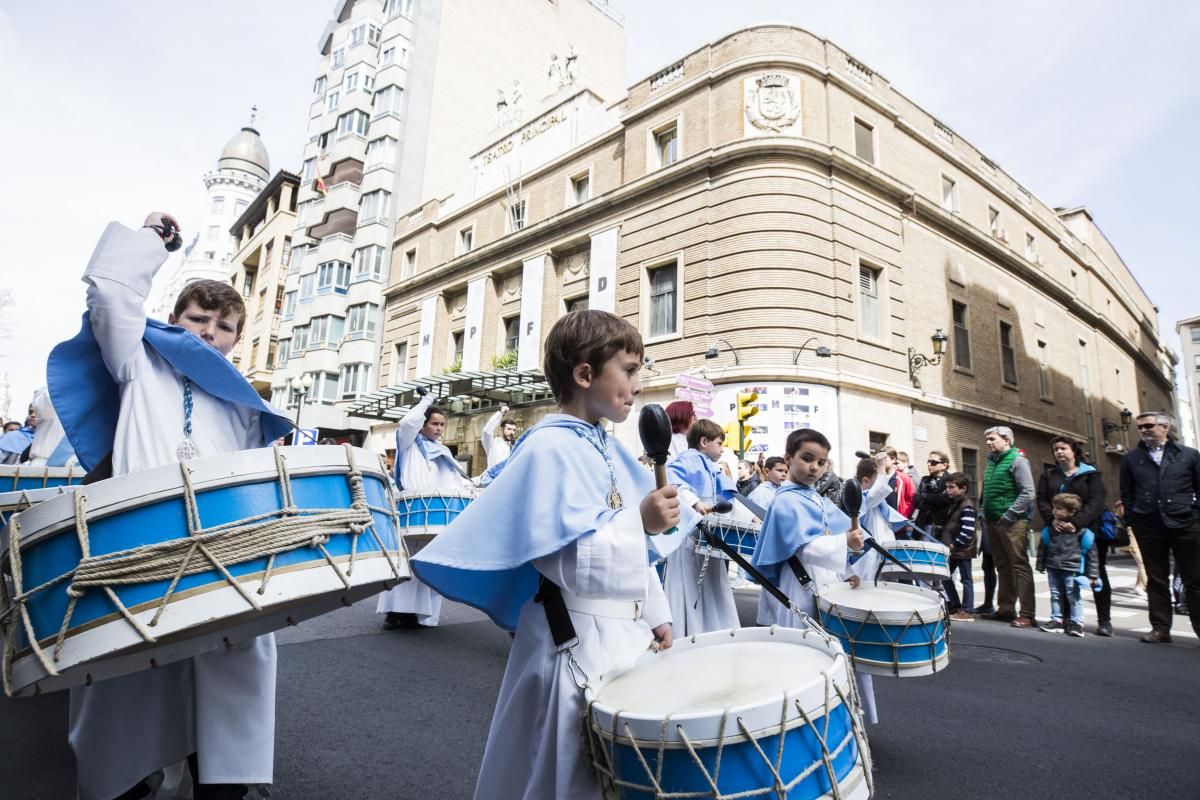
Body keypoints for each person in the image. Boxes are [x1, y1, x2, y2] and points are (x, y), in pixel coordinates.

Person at [50, 212, 293, 800]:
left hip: (222, 556)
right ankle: (125, 781)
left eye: (224, 325)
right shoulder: (138, 360)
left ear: (239, 335)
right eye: (197, 319)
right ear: (172, 318)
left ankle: (223, 782)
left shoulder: (243, 402)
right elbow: (110, 292)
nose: (210, 333)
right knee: (126, 684)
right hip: (140, 548)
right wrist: (152, 238)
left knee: (233, 676)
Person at [408, 309, 687, 799]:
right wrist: (638, 522)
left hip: (622, 632)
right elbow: (561, 558)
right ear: (585, 374)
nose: (638, 384)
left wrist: (656, 612)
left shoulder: (605, 445)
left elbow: (629, 545)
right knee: (567, 768)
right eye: (629, 369)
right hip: (573, 634)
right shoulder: (548, 448)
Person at [750, 429, 876, 723]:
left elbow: (831, 535)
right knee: (805, 656)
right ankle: (803, 720)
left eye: (821, 462)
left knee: (834, 654)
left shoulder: (817, 499)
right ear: (788, 458)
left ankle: (837, 718)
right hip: (801, 585)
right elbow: (803, 548)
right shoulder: (784, 501)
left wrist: (848, 570)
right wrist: (844, 543)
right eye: (807, 459)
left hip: (828, 582)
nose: (815, 468)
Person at [377, 392, 473, 629]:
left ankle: (418, 614)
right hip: (413, 512)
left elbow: (454, 482)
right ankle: (394, 613)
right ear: (423, 424)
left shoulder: (444, 452)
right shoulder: (409, 443)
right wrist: (426, 400)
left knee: (428, 568)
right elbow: (408, 422)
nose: (439, 429)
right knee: (405, 565)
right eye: (434, 423)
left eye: (442, 424)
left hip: (437, 517)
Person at [1118, 411, 1200, 643]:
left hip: (1185, 523)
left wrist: (1195, 514)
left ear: (1165, 428)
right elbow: (1127, 491)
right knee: (1156, 578)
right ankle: (1161, 628)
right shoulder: (1131, 459)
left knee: (1194, 578)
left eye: (1149, 426)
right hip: (1149, 525)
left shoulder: (1189, 455)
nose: (1144, 430)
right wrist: (1133, 517)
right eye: (1140, 427)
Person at [663, 418, 740, 635]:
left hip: (708, 534)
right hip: (690, 535)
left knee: (711, 581)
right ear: (703, 441)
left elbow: (730, 498)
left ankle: (714, 630)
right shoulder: (688, 459)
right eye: (719, 443)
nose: (722, 449)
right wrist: (695, 502)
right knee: (690, 580)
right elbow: (673, 484)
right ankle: (692, 632)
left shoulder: (711, 467)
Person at [1035, 436, 1108, 635]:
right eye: (1056, 449)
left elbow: (1096, 501)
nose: (1059, 452)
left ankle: (1104, 620)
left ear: (1074, 451)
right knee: (1060, 577)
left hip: (1085, 532)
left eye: (1063, 448)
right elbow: (1042, 499)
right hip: (1057, 531)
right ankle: (1063, 619)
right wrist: (1053, 520)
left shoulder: (1090, 474)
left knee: (1095, 572)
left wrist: (1075, 523)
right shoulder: (1049, 475)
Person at [979, 426, 1037, 627]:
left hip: (1012, 522)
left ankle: (1027, 613)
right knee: (1002, 566)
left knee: (1019, 566)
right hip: (993, 522)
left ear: (1007, 440)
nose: (988, 442)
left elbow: (1028, 492)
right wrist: (982, 511)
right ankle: (1006, 609)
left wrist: (1010, 514)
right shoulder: (991, 462)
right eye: (987, 439)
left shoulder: (1017, 461)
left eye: (992, 438)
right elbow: (986, 490)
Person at [1035, 493, 1101, 637]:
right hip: (1053, 567)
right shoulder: (1050, 529)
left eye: (1059, 509)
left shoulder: (1082, 531)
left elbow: (1092, 554)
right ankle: (1056, 619)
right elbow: (1043, 547)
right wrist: (1041, 564)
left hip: (1072, 568)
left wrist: (1093, 574)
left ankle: (1076, 623)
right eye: (1054, 508)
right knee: (1055, 594)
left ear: (1072, 512)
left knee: (1073, 596)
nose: (1054, 511)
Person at [940, 472, 980, 621]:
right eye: (947, 487)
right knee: (945, 576)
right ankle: (955, 605)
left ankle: (967, 609)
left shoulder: (966, 506)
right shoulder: (955, 503)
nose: (948, 490)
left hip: (962, 550)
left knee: (966, 579)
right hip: (955, 549)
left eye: (952, 487)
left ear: (963, 489)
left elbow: (968, 530)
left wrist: (954, 544)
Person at [914, 451, 952, 536]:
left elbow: (945, 500)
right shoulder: (924, 480)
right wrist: (935, 497)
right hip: (923, 523)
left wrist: (925, 496)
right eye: (928, 461)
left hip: (942, 525)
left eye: (934, 462)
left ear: (944, 466)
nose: (929, 464)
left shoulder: (951, 480)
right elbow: (917, 500)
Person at [1115, 500, 1148, 596]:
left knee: (1142, 563)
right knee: (1142, 563)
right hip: (1131, 538)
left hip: (1138, 537)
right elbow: (1124, 519)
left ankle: (1139, 586)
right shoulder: (1124, 506)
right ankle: (1148, 588)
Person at [480, 403, 518, 470]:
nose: (512, 432)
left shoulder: (514, 447)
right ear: (501, 429)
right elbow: (486, 431)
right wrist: (501, 414)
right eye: (509, 429)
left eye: (514, 430)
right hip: (494, 479)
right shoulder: (493, 444)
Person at [881, 446, 915, 518]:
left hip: (898, 522)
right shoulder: (877, 478)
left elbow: (911, 500)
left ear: (893, 459)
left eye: (884, 459)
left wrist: (903, 517)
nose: (881, 461)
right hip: (881, 521)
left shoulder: (903, 478)